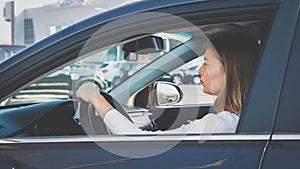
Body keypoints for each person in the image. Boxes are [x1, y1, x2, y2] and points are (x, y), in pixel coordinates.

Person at [77, 32, 260, 135]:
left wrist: (94, 96)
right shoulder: (240, 120)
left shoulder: (222, 124)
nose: (199, 71)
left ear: (231, 70)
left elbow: (139, 143)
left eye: (206, 64)